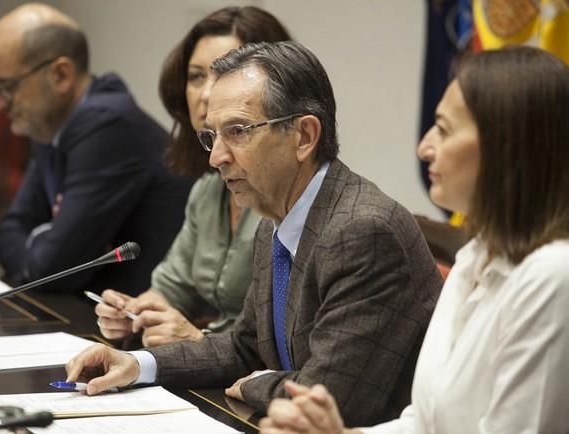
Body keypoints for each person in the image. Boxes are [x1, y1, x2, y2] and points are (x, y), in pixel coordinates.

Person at [65, 41, 443, 427]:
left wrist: (258, 384)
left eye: (238, 131)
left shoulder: (363, 232)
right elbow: (245, 346)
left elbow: (326, 399)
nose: (216, 157)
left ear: (304, 136)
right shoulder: (274, 221)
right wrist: (137, 364)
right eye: (212, 135)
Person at [259, 46, 569, 434]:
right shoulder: (476, 257)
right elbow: (424, 423)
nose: (425, 147)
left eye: (444, 128)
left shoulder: (554, 278)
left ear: (507, 145)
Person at [95, 7, 291, 347]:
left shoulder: (289, 196)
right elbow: (171, 290)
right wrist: (134, 313)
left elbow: (288, 343)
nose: (204, 94)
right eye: (196, 76)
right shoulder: (207, 189)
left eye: (223, 74)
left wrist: (198, 340)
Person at [0, 3, 191, 293]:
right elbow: (8, 232)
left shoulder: (108, 125)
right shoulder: (49, 123)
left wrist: (42, 240)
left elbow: (53, 269)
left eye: (7, 88)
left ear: (61, 76)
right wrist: (48, 239)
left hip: (140, 317)